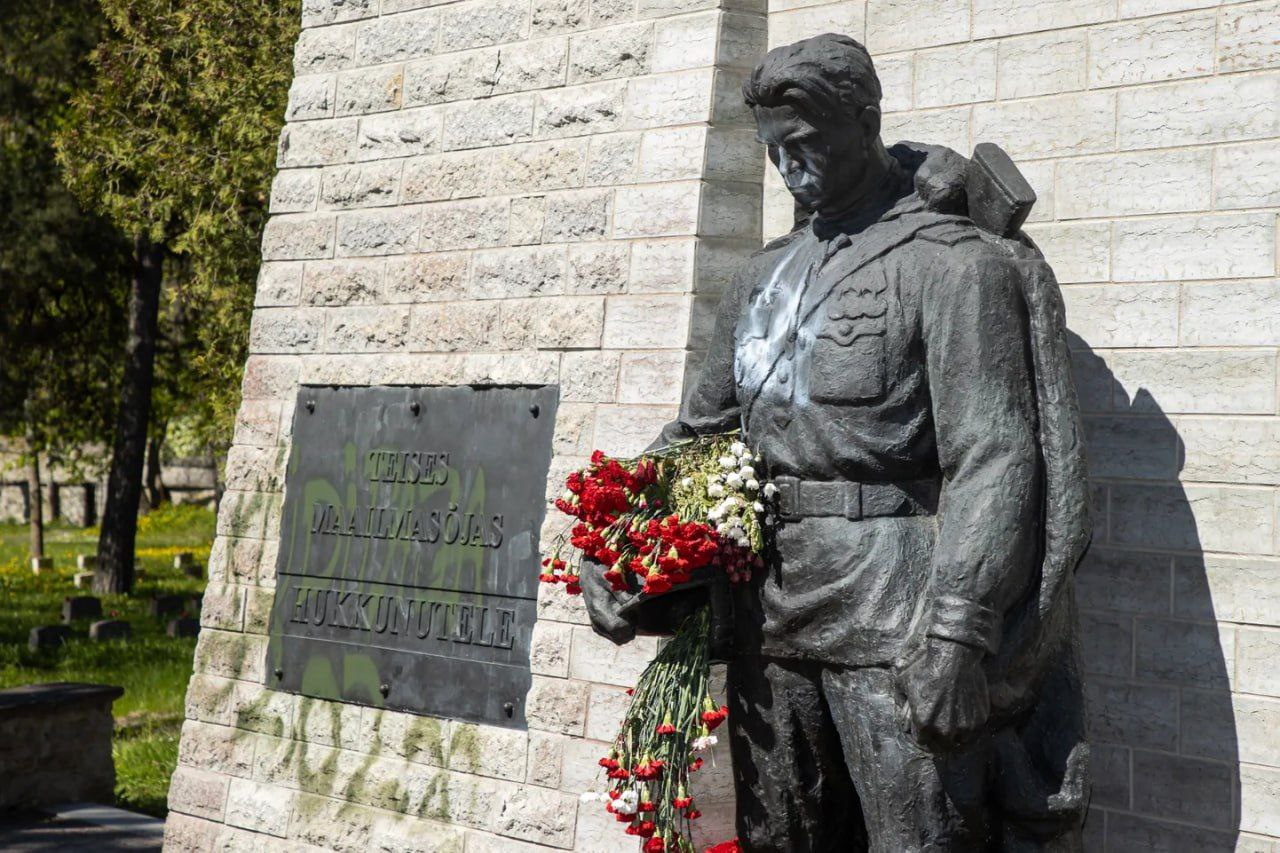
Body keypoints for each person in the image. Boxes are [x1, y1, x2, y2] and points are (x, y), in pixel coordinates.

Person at [583, 33, 1093, 852]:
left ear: (865, 122)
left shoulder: (951, 267)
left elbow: (994, 457)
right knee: (776, 835)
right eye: (776, 152)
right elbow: (699, 433)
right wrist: (620, 539)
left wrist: (959, 632)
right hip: (768, 613)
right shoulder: (761, 278)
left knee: (919, 838)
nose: (790, 169)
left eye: (807, 145)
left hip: (895, 614)